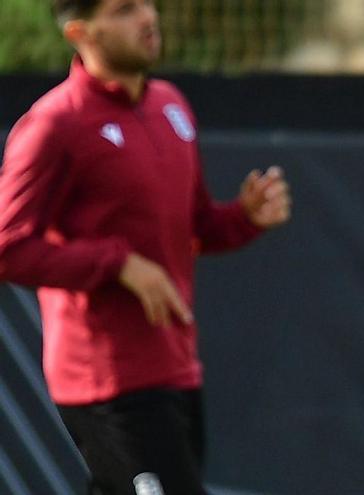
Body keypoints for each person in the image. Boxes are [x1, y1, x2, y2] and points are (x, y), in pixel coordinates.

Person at [0, 0, 291, 493]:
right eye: (124, 9)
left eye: (148, 4)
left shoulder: (170, 105)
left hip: (175, 370)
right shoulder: (55, 124)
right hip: (107, 385)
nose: (148, 17)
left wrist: (245, 217)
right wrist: (118, 265)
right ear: (80, 32)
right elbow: (8, 246)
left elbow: (197, 229)